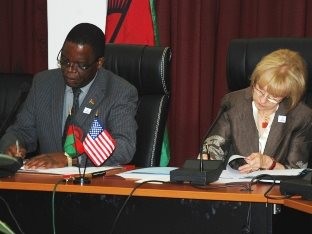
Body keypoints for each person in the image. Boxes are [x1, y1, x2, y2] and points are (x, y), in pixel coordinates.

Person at [0, 23, 138, 169]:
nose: (70, 70)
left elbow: (124, 147)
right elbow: (21, 130)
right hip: (46, 185)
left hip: (93, 187)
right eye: (65, 61)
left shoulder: (119, 91)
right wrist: (13, 145)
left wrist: (71, 159)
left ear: (99, 63)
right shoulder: (43, 83)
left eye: (81, 65)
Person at [201, 48, 312, 173]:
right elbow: (216, 145)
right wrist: (208, 157)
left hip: (275, 190)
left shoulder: (301, 116)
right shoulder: (233, 102)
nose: (263, 100)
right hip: (235, 185)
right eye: (259, 90)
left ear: (287, 95)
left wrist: (269, 164)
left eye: (273, 97)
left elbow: (296, 171)